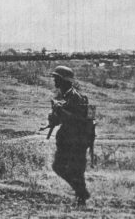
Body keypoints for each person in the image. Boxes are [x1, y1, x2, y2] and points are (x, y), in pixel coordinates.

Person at [49, 65, 91, 206]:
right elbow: (64, 118)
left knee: (64, 168)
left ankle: (81, 194)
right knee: (71, 169)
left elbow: (79, 120)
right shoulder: (66, 96)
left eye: (57, 78)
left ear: (64, 80)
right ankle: (81, 195)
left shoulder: (75, 97)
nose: (54, 81)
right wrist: (54, 115)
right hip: (69, 139)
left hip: (75, 140)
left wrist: (60, 110)